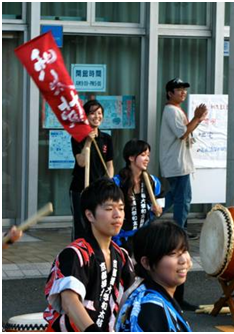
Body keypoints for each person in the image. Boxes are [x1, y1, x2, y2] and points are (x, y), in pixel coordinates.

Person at [44, 178, 135, 332]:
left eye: (121, 208)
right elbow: (69, 301)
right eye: (109, 209)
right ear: (90, 215)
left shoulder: (122, 256)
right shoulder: (75, 255)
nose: (117, 214)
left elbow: (131, 299)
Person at [115, 221, 193, 332]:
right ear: (146, 263)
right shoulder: (150, 308)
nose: (183, 260)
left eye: (184, 251)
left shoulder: (151, 296)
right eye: (172, 254)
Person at [159, 78, 208, 240]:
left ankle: (147, 213)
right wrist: (196, 117)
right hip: (177, 163)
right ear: (169, 93)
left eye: (184, 89)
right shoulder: (172, 111)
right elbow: (182, 134)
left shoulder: (175, 110)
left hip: (178, 162)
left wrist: (198, 119)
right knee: (183, 198)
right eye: (179, 90)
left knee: (174, 197)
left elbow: (186, 131)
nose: (183, 92)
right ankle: (179, 231)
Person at [70, 100, 114, 241]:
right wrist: (88, 141)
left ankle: (94, 254)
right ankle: (78, 254)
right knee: (81, 224)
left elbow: (110, 165)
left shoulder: (106, 138)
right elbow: (81, 162)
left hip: (99, 189)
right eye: (92, 113)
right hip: (80, 188)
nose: (97, 116)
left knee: (98, 223)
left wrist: (109, 182)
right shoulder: (77, 137)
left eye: (100, 113)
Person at [112, 139, 164, 254]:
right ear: (131, 157)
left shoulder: (153, 182)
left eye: (148, 155)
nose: (147, 159)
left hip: (144, 236)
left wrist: (158, 209)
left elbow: (160, 203)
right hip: (120, 238)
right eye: (143, 155)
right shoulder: (117, 182)